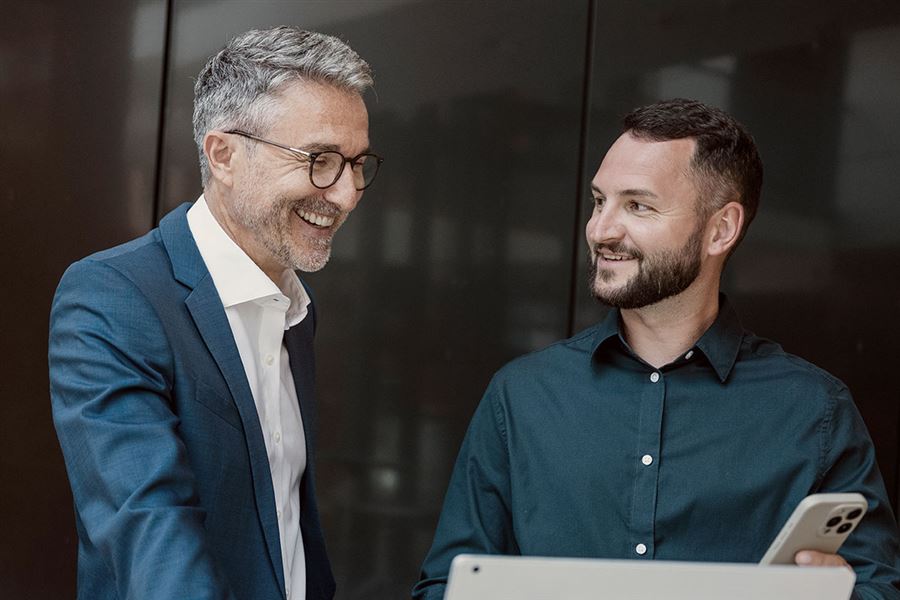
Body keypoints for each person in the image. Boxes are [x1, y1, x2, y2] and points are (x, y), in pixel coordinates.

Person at [413, 98, 900, 599]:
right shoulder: (521, 397)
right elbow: (442, 587)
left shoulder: (815, 411)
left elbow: (877, 589)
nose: (601, 230)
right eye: (599, 200)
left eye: (637, 205)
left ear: (721, 229)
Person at [49, 26, 382, 600]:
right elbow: (149, 532)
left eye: (356, 164)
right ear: (223, 155)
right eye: (320, 160)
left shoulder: (295, 309)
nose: (347, 193)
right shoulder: (112, 295)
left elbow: (283, 521)